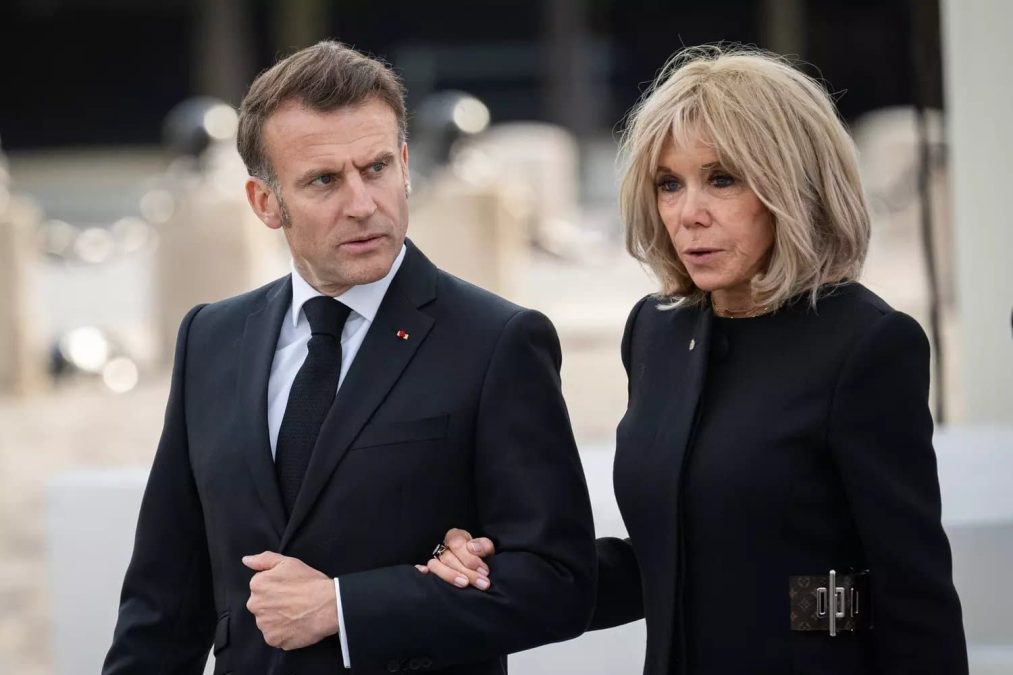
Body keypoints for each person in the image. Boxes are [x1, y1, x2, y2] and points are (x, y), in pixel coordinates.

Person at [424, 46, 968, 674]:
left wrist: (805, 613)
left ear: (794, 184)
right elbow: (668, 555)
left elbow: (911, 593)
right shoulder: (655, 332)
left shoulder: (868, 344)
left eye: (723, 179)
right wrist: (506, 572)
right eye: (669, 184)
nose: (689, 214)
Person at [102, 40, 596, 675]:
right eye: (324, 180)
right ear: (264, 202)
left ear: (407, 164)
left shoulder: (498, 340)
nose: (362, 203)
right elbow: (163, 601)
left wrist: (345, 606)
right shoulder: (210, 338)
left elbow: (559, 581)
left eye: (377, 168)